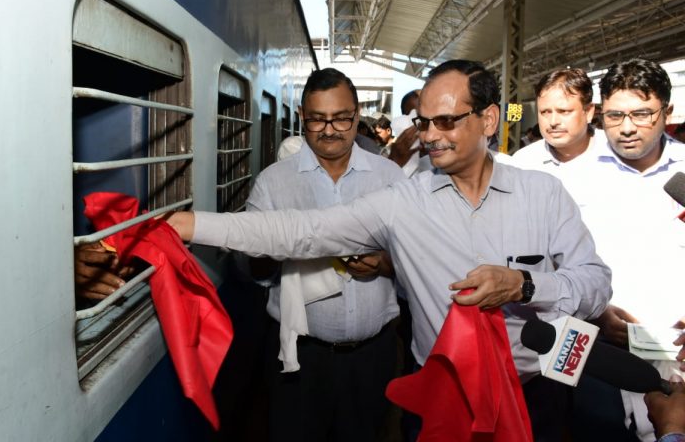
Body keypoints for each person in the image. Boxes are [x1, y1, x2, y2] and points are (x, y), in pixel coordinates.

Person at [166, 59, 611, 441]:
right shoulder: (405, 201)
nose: (431, 136)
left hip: (534, 391)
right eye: (423, 123)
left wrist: (524, 283)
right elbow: (306, 230)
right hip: (442, 397)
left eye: (447, 121)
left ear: (489, 120)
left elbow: (595, 284)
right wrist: (189, 225)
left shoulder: (544, 194)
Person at [246, 68, 407, 442]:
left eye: (341, 118)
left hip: (373, 356)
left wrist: (383, 263)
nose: (330, 129)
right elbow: (252, 270)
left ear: (356, 116)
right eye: (318, 119)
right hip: (299, 358)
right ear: (303, 116)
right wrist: (272, 246)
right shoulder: (275, 182)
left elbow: (417, 258)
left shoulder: (390, 179)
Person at [565, 58, 685, 442]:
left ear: (667, 111)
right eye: (615, 115)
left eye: (642, 114)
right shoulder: (569, 180)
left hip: (678, 355)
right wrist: (593, 312)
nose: (628, 127)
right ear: (600, 114)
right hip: (597, 353)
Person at [511, 68, 605, 200]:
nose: (553, 122)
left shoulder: (617, 153)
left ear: (588, 112)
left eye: (564, 111)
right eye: (545, 112)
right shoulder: (523, 162)